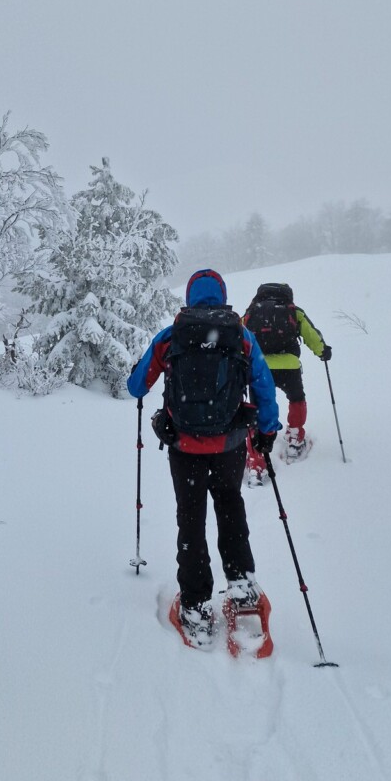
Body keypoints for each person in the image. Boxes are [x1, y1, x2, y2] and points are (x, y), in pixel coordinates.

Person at [127, 268, 281, 648]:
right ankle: (242, 588)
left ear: (191, 298)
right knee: (230, 507)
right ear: (223, 296)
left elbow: (136, 387)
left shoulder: (173, 335)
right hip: (230, 446)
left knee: (191, 519)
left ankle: (195, 605)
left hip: (185, 449)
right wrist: (266, 431)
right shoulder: (240, 335)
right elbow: (263, 385)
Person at [242, 282, 331, 481]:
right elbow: (311, 334)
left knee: (255, 409)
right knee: (296, 398)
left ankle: (256, 461)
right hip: (289, 366)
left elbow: (239, 335)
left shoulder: (251, 312)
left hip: (260, 368)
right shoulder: (293, 311)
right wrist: (323, 350)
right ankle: (294, 438)